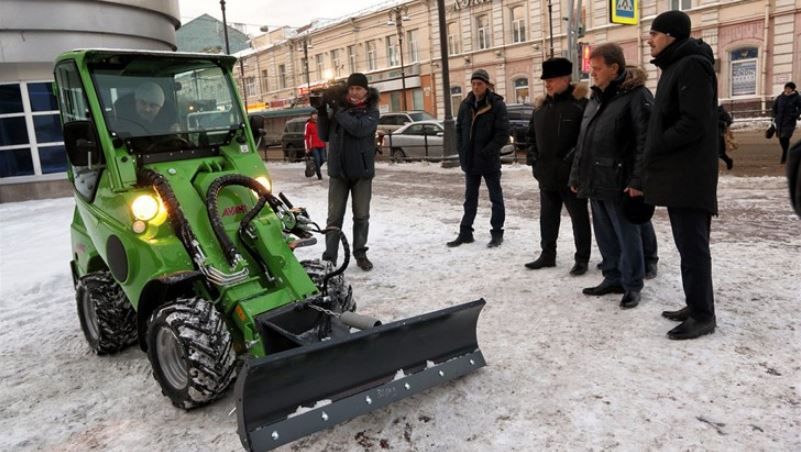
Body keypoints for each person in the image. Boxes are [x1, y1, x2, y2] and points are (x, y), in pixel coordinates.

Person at [644, 10, 719, 340]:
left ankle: (703, 315)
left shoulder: (691, 66)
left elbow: (694, 122)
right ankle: (695, 304)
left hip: (690, 175)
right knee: (688, 247)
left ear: (671, 36)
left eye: (654, 34)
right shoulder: (675, 65)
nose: (649, 39)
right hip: (682, 173)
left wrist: (657, 142)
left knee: (693, 248)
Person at [568, 43, 653, 310]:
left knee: (627, 236)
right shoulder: (596, 98)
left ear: (614, 68)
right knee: (605, 234)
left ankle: (632, 284)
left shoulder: (637, 96)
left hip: (621, 181)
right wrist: (576, 175)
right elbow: (584, 141)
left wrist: (638, 181)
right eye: (591, 68)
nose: (592, 73)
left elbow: (645, 142)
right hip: (595, 178)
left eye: (597, 68)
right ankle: (613, 277)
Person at [524, 57, 592, 276]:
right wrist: (534, 160)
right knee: (547, 218)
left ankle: (582, 259)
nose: (547, 84)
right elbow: (530, 137)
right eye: (545, 81)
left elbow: (584, 140)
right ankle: (547, 254)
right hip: (546, 174)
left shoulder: (581, 105)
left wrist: (569, 162)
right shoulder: (540, 108)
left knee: (579, 219)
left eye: (551, 80)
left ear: (565, 79)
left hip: (571, 176)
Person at [317, 73, 380, 271]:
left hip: (362, 172)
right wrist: (321, 111)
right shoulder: (339, 109)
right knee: (334, 217)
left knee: (361, 216)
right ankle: (330, 257)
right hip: (338, 172)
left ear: (366, 91)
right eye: (351, 88)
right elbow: (323, 135)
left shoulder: (371, 112)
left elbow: (358, 128)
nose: (354, 92)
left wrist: (338, 110)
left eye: (358, 88)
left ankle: (360, 253)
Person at [447, 69, 510, 248]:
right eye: (473, 83)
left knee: (495, 198)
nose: (476, 87)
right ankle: (465, 232)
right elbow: (459, 129)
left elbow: (502, 134)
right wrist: (462, 151)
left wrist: (487, 151)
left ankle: (497, 233)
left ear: (486, 85)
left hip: (489, 160)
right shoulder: (465, 104)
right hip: (470, 160)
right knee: (470, 198)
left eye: (479, 84)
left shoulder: (497, 104)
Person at [773, 81, 801, 164]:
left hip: (789, 121)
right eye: (786, 88)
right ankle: (786, 152)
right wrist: (775, 116)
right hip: (780, 121)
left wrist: (795, 115)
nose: (787, 90)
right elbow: (774, 108)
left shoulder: (796, 97)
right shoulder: (780, 97)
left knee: (785, 137)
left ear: (792, 89)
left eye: (789, 88)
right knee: (781, 139)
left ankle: (784, 155)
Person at [304, 111, 326, 180]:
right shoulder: (308, 124)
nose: (315, 116)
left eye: (316, 115)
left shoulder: (320, 123)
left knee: (323, 159)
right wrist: (307, 148)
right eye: (313, 115)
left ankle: (314, 168)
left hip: (321, 144)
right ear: (311, 116)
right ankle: (319, 175)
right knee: (317, 160)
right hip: (313, 146)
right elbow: (306, 137)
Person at [717, 105, 735, 170]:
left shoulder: (721, 111)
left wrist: (719, 122)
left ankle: (728, 161)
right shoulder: (710, 111)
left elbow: (729, 121)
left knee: (720, 153)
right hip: (711, 135)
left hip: (720, 135)